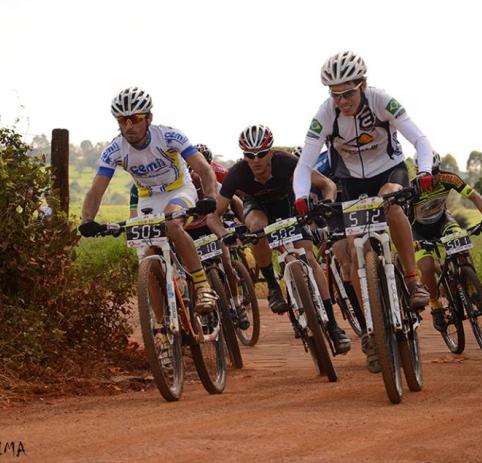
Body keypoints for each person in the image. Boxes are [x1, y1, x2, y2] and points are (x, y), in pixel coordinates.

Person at [292, 50, 435, 371]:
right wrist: (301, 196)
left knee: (392, 204)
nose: (342, 101)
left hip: (389, 172)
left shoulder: (381, 100)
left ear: (363, 85)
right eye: (335, 95)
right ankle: (373, 327)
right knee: (355, 254)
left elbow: (421, 140)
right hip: (352, 183)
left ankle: (412, 280)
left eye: (348, 93)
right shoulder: (325, 113)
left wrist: (424, 171)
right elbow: (305, 164)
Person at [78, 86, 219, 314]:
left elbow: (203, 168)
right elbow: (96, 191)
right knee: (148, 257)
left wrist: (211, 196)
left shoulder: (169, 136)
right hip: (148, 199)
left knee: (172, 225)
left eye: (135, 119)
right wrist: (87, 219)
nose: (128, 126)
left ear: (149, 118)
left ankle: (202, 284)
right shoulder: (114, 150)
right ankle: (161, 329)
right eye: (122, 120)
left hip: (179, 190)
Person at [214, 124, 352, 353]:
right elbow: (214, 215)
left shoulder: (286, 162)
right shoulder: (237, 173)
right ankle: (272, 286)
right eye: (250, 155)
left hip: (288, 205)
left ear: (271, 151)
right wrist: (225, 234)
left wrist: (326, 205)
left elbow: (326, 184)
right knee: (257, 228)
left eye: (261, 154)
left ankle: (334, 326)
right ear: (244, 156)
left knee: (308, 255)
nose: (256, 160)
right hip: (258, 207)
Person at [409, 153, 482, 332]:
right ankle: (435, 306)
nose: (432, 177)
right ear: (418, 171)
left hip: (443, 222)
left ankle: (472, 287)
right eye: (427, 173)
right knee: (427, 267)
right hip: (418, 230)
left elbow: (474, 196)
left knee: (461, 245)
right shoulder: (412, 189)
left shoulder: (449, 179)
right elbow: (401, 218)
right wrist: (412, 243)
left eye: (435, 171)